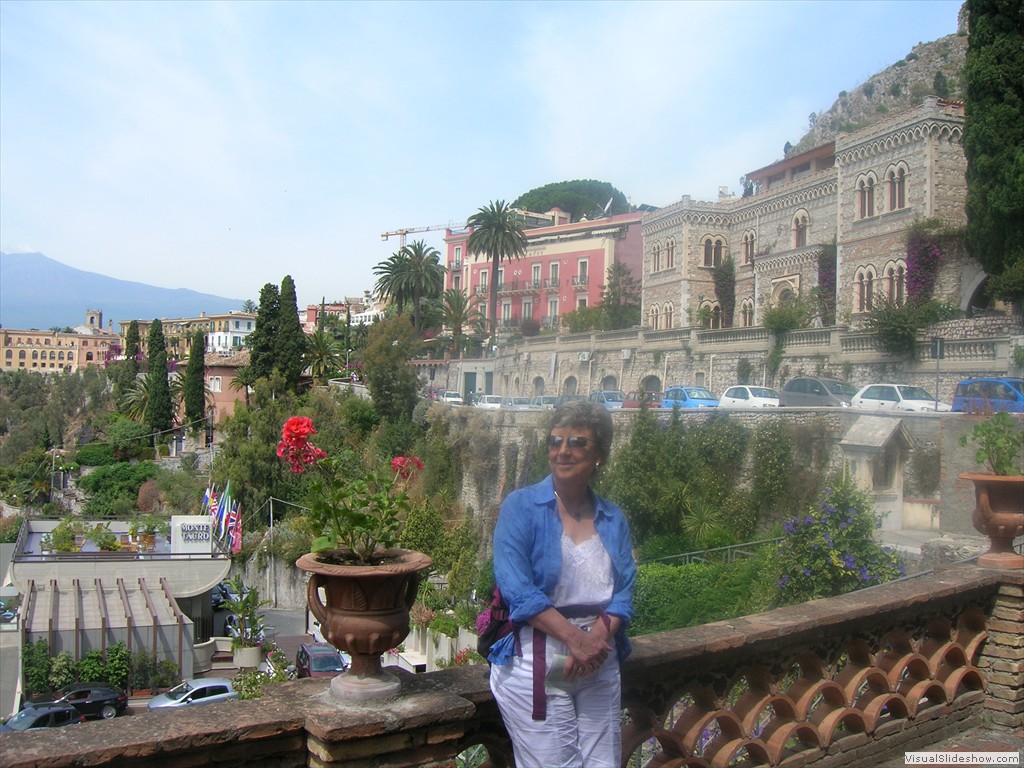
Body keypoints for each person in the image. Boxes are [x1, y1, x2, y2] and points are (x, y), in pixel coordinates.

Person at [488, 400, 636, 767]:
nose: (563, 451)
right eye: (556, 441)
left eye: (577, 442)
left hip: (599, 655)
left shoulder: (613, 517)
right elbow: (516, 588)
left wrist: (596, 639)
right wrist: (575, 640)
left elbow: (625, 589)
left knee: (604, 763)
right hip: (538, 656)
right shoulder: (521, 506)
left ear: (599, 454)